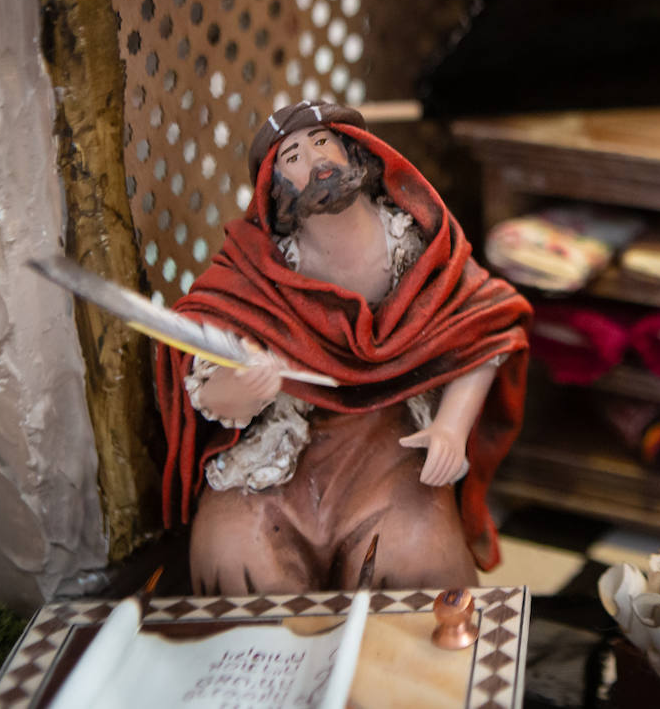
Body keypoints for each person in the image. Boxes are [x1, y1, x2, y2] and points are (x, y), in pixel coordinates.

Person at [155, 100, 531, 595]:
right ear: (276, 187)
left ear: (353, 151)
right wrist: (243, 387)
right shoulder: (257, 267)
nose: (314, 162)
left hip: (388, 444)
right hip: (280, 448)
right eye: (292, 157)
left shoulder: (415, 244)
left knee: (417, 552)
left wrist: (450, 427)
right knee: (235, 554)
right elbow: (207, 374)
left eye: (320, 143)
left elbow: (483, 328)